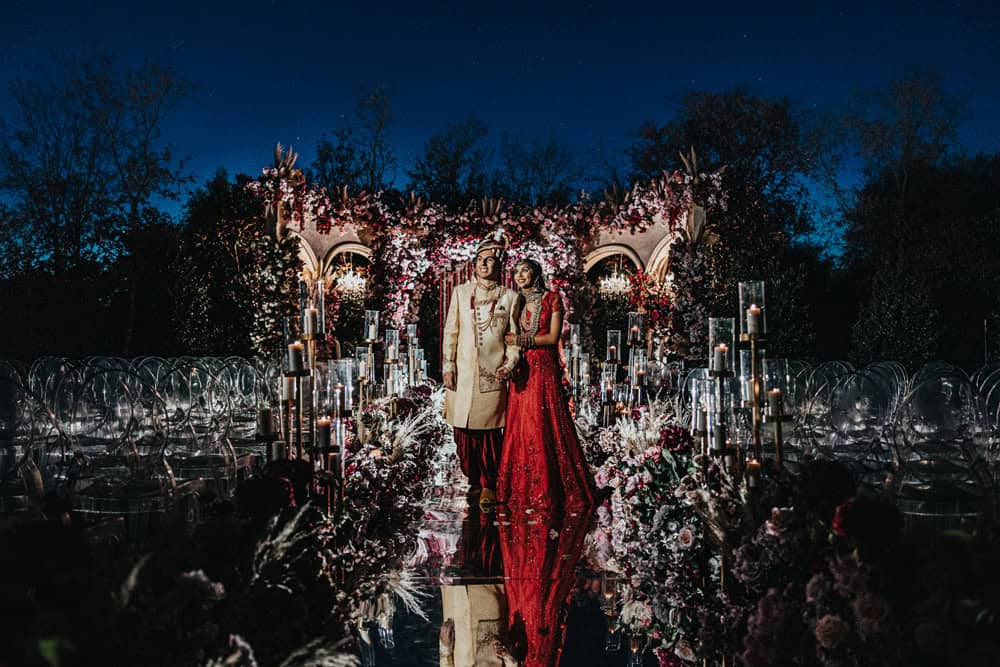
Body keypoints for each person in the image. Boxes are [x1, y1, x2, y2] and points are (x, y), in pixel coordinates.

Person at [496, 259, 595, 512]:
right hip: (522, 367)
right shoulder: (515, 302)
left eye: (525, 270)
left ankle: (550, 488)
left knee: (544, 421)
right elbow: (508, 335)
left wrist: (523, 338)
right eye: (516, 271)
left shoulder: (552, 298)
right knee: (522, 423)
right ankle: (521, 487)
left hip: (544, 367)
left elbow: (552, 337)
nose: (520, 275)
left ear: (536, 273)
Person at [442, 236, 521, 509]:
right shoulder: (461, 293)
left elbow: (513, 337)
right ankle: (473, 479)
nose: (485, 264)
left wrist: (509, 365)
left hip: (492, 374)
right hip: (463, 373)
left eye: (491, 260)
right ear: (474, 265)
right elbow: (451, 331)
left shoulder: (510, 298)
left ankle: (490, 484)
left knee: (488, 434)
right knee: (463, 432)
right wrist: (448, 366)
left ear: (500, 266)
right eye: (480, 260)